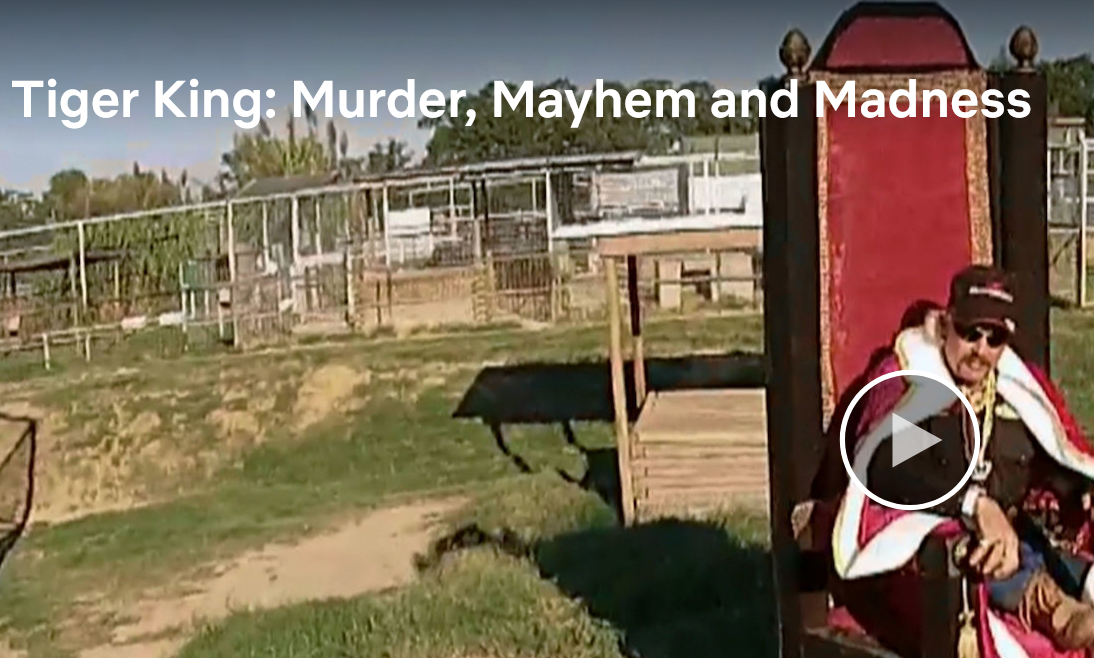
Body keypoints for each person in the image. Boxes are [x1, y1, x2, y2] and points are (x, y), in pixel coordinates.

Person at [830, 264, 1094, 653]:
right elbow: (888, 464)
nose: (980, 350)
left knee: (1041, 548)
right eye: (970, 332)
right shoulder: (919, 389)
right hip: (928, 555)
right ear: (945, 325)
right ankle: (1049, 607)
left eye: (995, 338)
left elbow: (1051, 460)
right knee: (970, 549)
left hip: (1012, 540)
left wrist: (1080, 488)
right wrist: (975, 505)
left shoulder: (1013, 393)